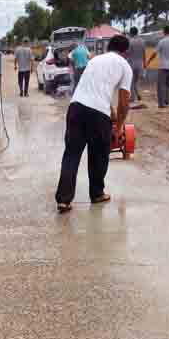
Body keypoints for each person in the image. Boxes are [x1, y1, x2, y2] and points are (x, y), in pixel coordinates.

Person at [55, 35, 133, 213]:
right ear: (125, 52)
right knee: (99, 155)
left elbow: (95, 88)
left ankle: (64, 200)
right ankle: (97, 194)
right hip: (98, 115)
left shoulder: (95, 60)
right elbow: (124, 103)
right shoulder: (124, 66)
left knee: (71, 155)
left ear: (109, 47)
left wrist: (110, 109)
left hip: (76, 107)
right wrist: (118, 127)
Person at [127, 27, 146, 102]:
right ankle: (138, 95)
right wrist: (144, 64)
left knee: (131, 81)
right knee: (136, 81)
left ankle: (133, 98)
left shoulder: (130, 41)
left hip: (132, 64)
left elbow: (128, 52)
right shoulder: (142, 41)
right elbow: (144, 53)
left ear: (131, 33)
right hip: (140, 64)